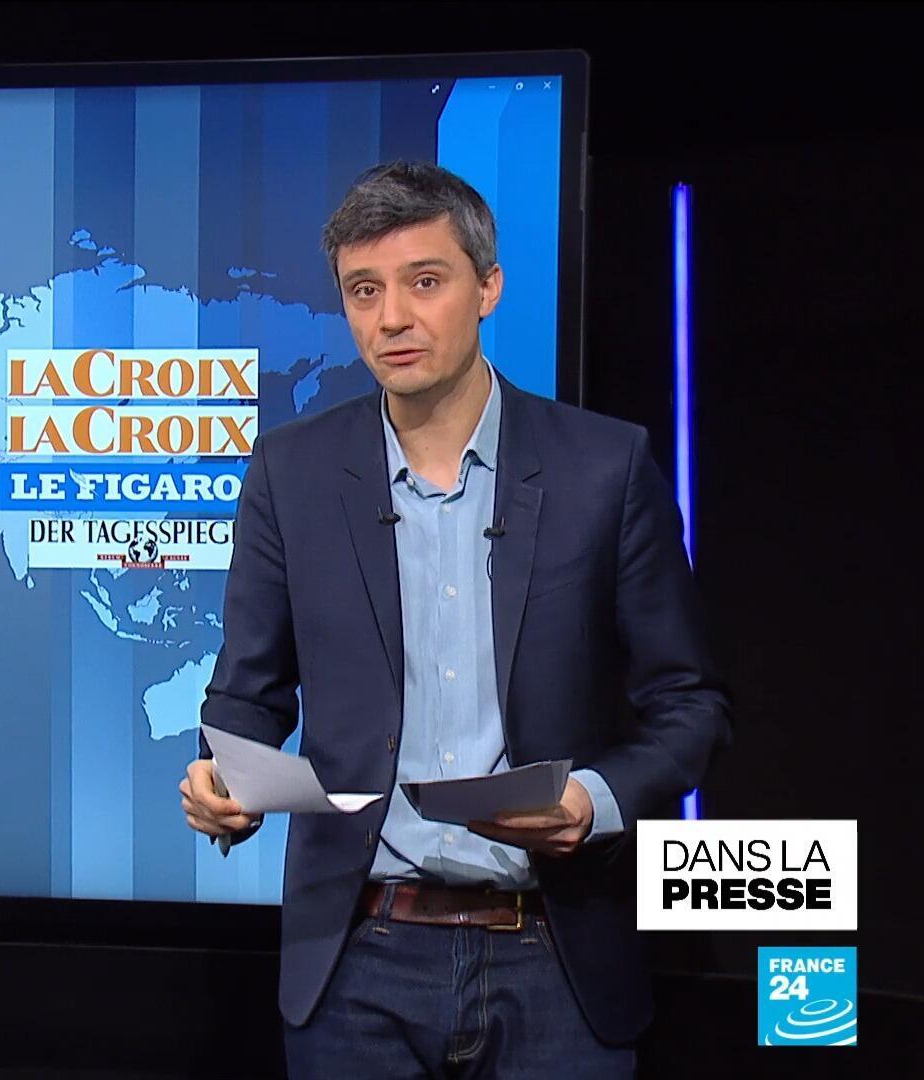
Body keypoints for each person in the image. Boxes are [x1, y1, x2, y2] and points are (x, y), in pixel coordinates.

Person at [179, 161, 731, 1077]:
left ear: (488, 288)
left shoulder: (605, 468)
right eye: (364, 291)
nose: (392, 317)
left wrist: (592, 801)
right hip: (355, 964)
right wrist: (219, 781)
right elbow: (247, 693)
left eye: (424, 282)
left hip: (556, 955)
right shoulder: (291, 473)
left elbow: (692, 705)